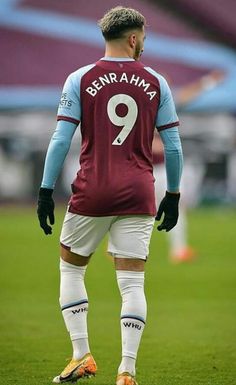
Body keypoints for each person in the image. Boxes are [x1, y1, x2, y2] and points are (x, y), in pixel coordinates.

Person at [37, 6, 183, 385]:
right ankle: (127, 372)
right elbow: (174, 147)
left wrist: (44, 190)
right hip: (138, 192)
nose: (143, 46)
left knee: (71, 268)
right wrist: (174, 194)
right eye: (144, 40)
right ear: (133, 38)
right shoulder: (157, 81)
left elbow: (60, 140)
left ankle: (81, 354)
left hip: (92, 190)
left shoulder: (79, 78)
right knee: (133, 282)